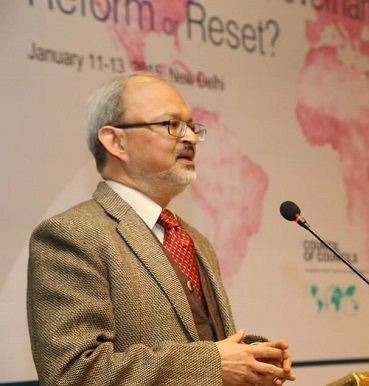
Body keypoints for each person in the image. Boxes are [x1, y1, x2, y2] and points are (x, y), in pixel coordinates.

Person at [27, 72, 296, 386]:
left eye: (193, 128)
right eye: (172, 125)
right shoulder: (71, 235)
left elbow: (198, 337)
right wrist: (212, 364)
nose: (191, 138)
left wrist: (252, 358)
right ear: (116, 141)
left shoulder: (193, 239)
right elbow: (73, 373)